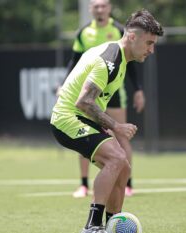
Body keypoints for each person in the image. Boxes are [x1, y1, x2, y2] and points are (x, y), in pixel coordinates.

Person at [50, 9, 163, 233]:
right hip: (67, 118)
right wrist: (117, 126)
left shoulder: (119, 57)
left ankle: (112, 226)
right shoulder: (109, 60)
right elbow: (84, 102)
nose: (151, 50)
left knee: (123, 167)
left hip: (81, 117)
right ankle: (92, 228)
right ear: (132, 36)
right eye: (149, 43)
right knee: (116, 158)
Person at [67, 0, 145, 199]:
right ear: (90, 9)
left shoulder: (120, 30)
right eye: (96, 6)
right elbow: (74, 62)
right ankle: (83, 185)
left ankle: (128, 184)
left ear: (109, 8)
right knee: (84, 134)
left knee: (121, 135)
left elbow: (132, 62)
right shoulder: (83, 32)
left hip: (114, 92)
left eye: (103, 5)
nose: (100, 9)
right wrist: (64, 85)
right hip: (90, 92)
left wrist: (138, 90)